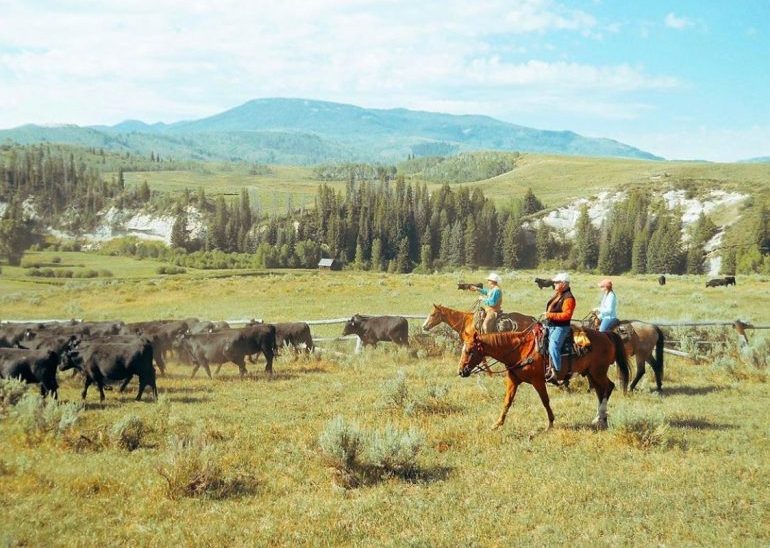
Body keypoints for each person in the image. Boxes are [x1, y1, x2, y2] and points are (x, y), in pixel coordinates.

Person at [544, 272, 575, 382]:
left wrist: (550, 315)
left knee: (553, 346)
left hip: (561, 327)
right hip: (551, 325)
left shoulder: (568, 298)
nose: (555, 284)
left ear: (564, 284)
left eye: (557, 282)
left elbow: (567, 315)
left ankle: (557, 372)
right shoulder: (559, 294)